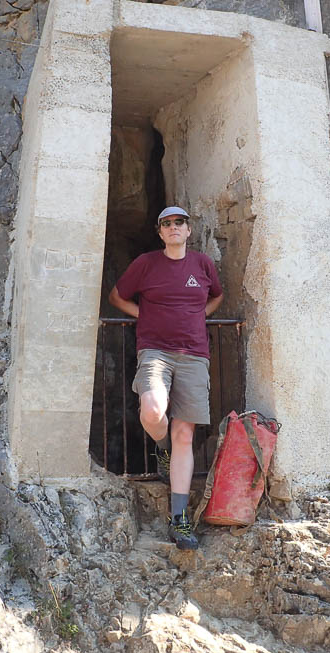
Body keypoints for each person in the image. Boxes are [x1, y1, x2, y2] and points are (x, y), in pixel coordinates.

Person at [108, 206, 224, 550]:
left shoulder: (202, 264)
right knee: (153, 411)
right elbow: (116, 296)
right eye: (167, 223)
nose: (174, 227)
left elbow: (217, 295)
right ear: (160, 232)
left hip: (194, 355)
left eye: (179, 223)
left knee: (185, 433)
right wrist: (145, 315)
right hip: (155, 352)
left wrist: (198, 315)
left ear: (188, 230)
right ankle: (162, 448)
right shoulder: (146, 263)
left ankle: (180, 519)